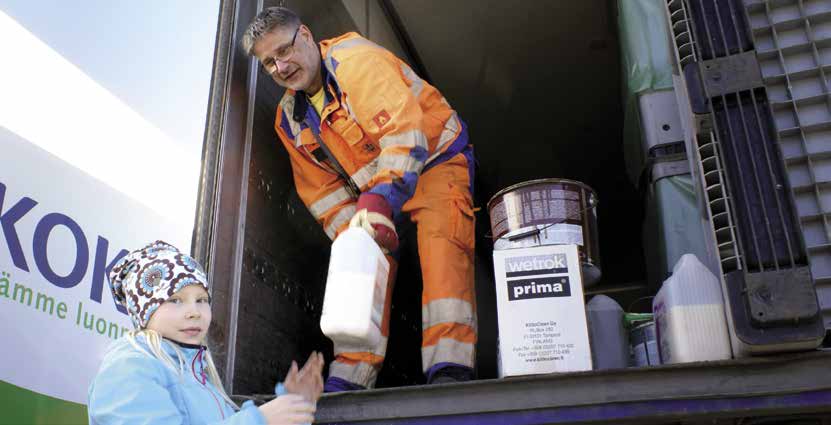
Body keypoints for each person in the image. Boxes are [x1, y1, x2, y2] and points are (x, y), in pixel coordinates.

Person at [241, 7, 477, 391]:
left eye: (284, 51)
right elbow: (324, 196)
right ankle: (348, 381)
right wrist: (355, 239)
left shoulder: (356, 63)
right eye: (270, 63)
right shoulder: (289, 119)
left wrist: (378, 202)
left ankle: (450, 371)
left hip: (435, 160)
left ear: (304, 35)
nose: (281, 67)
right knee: (360, 274)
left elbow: (405, 137)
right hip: (377, 195)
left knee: (442, 254)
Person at [87, 240, 324, 424]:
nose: (194, 312)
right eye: (175, 300)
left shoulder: (203, 380)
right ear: (145, 312)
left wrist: (292, 409)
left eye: (201, 300)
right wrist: (260, 420)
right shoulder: (128, 368)